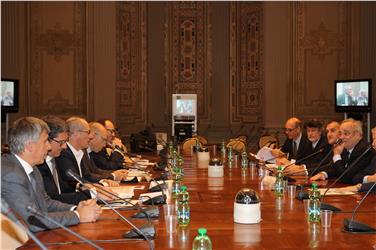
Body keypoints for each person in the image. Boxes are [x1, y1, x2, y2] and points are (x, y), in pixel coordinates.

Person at [1, 117, 101, 232]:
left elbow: (45, 203)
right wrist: (78, 216)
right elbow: (33, 220)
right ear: (30, 146)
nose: (49, 147)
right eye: (45, 141)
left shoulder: (32, 168)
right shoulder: (10, 174)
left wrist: (75, 208)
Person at [36, 115, 113, 205]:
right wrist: (93, 194)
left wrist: (81, 186)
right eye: (61, 142)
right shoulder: (39, 165)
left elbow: (64, 187)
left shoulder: (54, 159)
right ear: (48, 140)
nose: (65, 146)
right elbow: (53, 199)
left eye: (65, 141)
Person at [56, 117, 121, 193]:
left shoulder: (80, 152)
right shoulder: (64, 154)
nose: (91, 136)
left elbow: (86, 176)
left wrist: (103, 181)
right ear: (76, 134)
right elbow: (73, 183)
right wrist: (103, 183)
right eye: (88, 132)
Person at [309, 119, 374, 184]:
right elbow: (335, 168)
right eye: (340, 134)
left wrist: (337, 155)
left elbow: (347, 177)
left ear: (357, 135)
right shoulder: (345, 149)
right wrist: (324, 174)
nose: (341, 137)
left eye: (346, 133)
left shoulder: (364, 151)